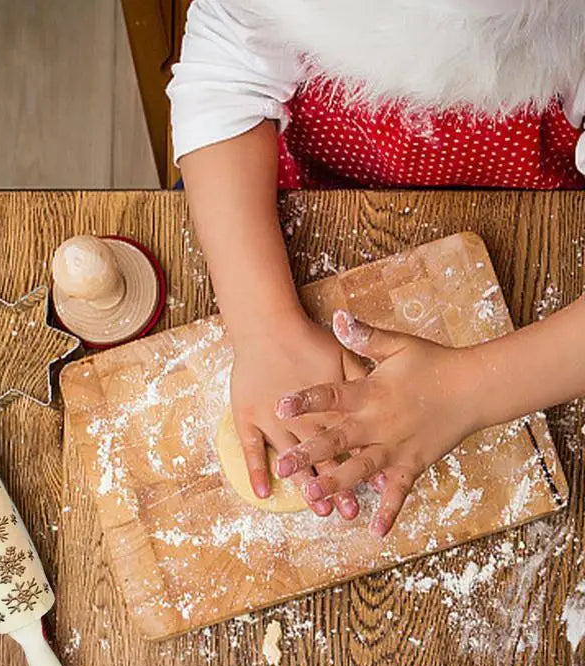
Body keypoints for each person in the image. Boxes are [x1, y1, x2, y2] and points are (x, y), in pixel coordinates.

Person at [166, 0, 585, 537]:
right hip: (310, 188)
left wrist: (467, 390)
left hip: (531, 219)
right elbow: (223, 75)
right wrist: (262, 327)